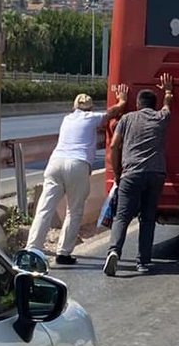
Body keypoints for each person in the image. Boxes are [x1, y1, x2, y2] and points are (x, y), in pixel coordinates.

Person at [26, 84, 129, 265]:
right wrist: (122, 101)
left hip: (55, 163)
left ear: (74, 107)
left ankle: (32, 249)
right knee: (73, 211)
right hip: (78, 164)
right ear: (89, 108)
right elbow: (112, 113)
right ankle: (63, 253)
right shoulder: (91, 117)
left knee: (44, 208)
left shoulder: (67, 119)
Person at [104, 73, 174, 277]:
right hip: (155, 174)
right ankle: (142, 262)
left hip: (131, 173)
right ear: (154, 104)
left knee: (122, 216)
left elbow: (115, 145)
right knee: (148, 217)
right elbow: (168, 104)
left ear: (137, 103)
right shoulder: (161, 117)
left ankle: (114, 251)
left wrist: (118, 173)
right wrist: (168, 90)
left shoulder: (127, 118)